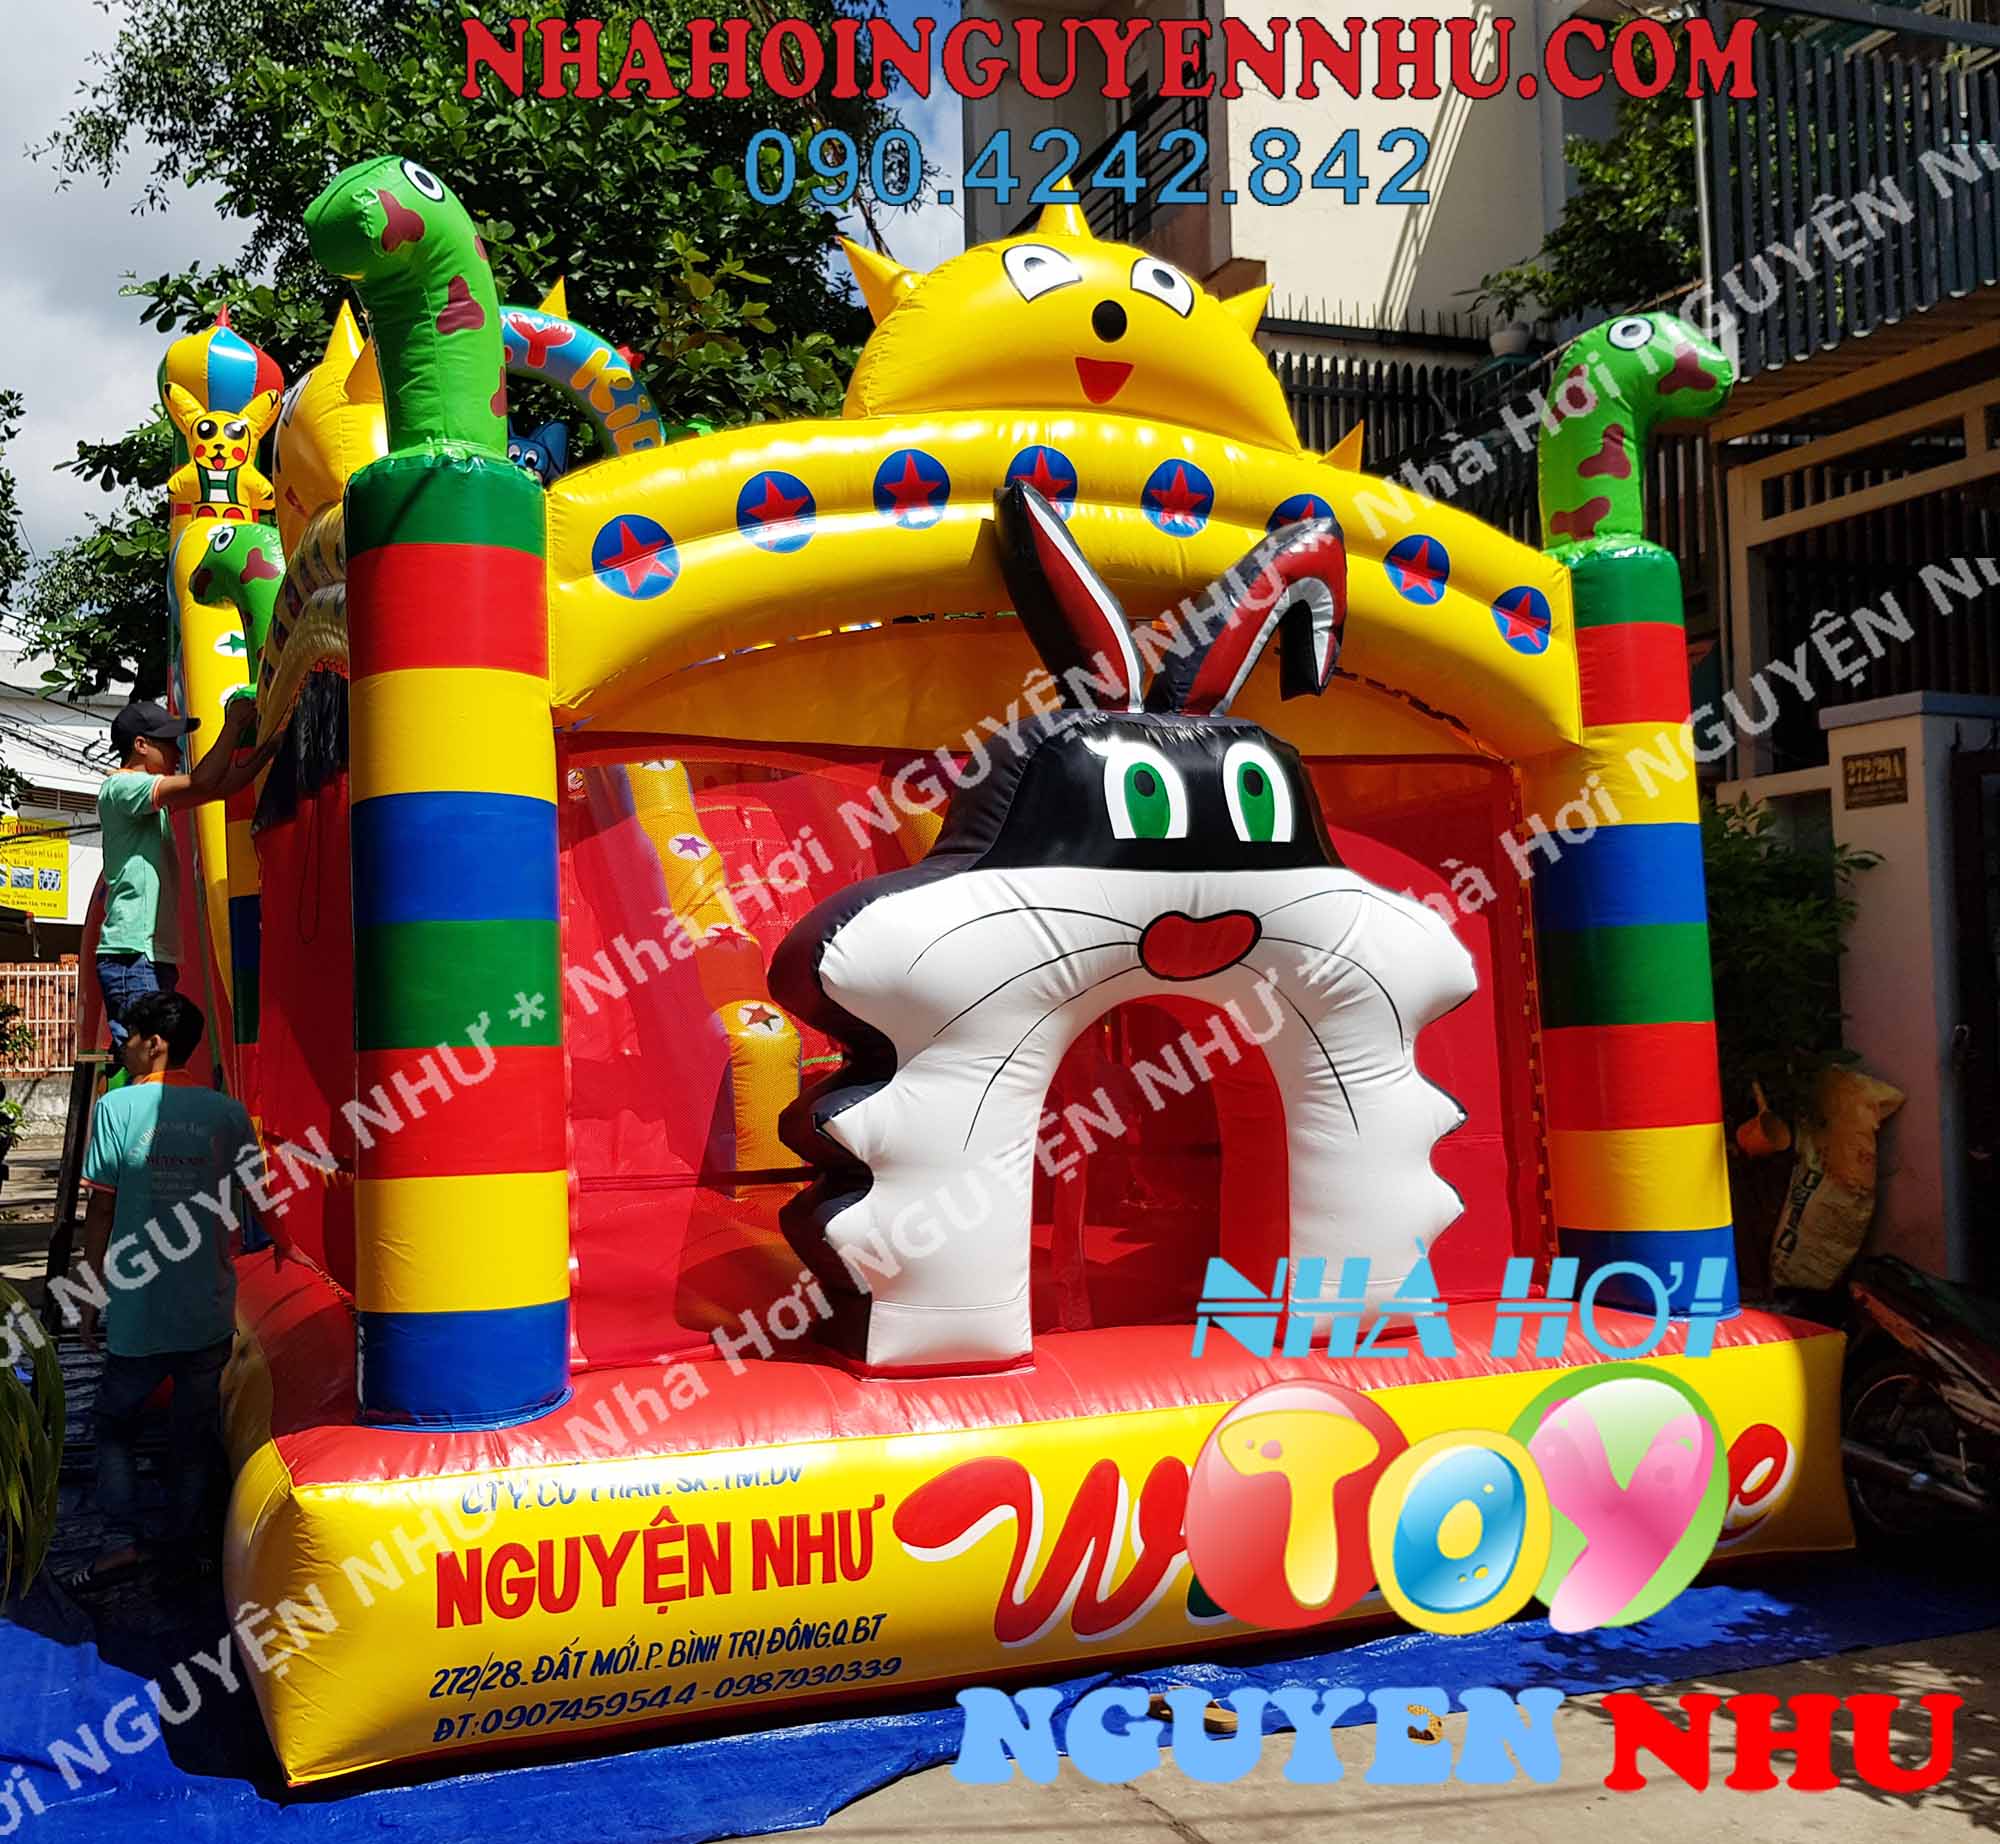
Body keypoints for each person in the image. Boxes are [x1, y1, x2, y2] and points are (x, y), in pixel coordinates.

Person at [66, 990, 255, 1591]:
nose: (120, 1046)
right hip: (207, 1309)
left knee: (114, 1424)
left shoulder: (116, 1107)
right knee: (193, 1435)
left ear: (155, 1043)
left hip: (139, 1311)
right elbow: (258, 1196)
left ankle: (121, 1544)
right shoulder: (227, 1113)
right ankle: (187, 1545)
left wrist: (91, 1292)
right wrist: (286, 1246)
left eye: (127, 1036)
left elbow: (101, 1211)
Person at [96, 695, 267, 1051]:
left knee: (155, 1056)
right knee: (150, 1055)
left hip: (148, 955)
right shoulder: (122, 787)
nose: (177, 752)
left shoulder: (150, 804)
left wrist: (270, 747)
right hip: (133, 954)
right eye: (169, 743)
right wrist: (233, 726)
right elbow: (203, 781)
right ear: (140, 745)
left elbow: (221, 786)